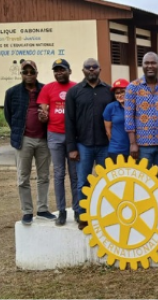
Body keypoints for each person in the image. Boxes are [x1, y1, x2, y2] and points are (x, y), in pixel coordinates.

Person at [65, 58, 114, 230]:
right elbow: (69, 121)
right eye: (88, 67)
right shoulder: (74, 92)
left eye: (94, 67)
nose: (91, 70)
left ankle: (106, 214)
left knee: (106, 182)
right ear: (83, 70)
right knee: (83, 182)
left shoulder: (109, 91)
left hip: (105, 145)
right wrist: (71, 148)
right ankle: (83, 215)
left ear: (100, 69)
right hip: (83, 145)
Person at [4, 60, 55, 225]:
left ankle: (42, 209)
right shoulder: (12, 92)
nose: (28, 75)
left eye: (31, 72)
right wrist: (19, 131)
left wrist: (45, 119)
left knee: (44, 176)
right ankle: (27, 211)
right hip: (24, 139)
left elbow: (53, 112)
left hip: (43, 139)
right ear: (21, 74)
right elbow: (8, 114)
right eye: (25, 72)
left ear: (36, 73)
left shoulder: (45, 90)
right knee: (23, 177)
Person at [37, 58, 78, 226]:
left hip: (73, 137)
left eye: (62, 69)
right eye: (56, 70)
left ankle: (77, 210)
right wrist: (43, 115)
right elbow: (43, 109)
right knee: (59, 174)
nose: (59, 72)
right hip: (54, 135)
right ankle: (61, 210)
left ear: (69, 71)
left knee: (75, 175)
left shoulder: (76, 88)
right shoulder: (48, 88)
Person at [125, 52, 158, 178]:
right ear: (142, 66)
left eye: (153, 63)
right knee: (143, 182)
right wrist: (133, 144)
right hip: (141, 146)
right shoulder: (132, 87)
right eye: (146, 63)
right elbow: (129, 116)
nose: (150, 66)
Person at [103, 78, 130, 162]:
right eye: (117, 93)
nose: (119, 95)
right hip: (116, 150)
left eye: (122, 91)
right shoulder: (110, 107)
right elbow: (108, 131)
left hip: (134, 149)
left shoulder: (136, 106)